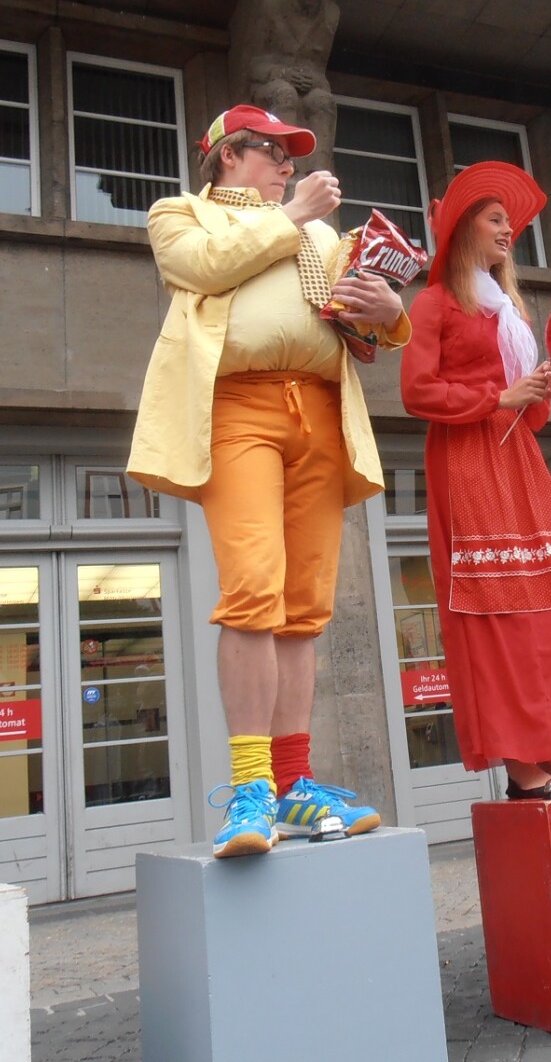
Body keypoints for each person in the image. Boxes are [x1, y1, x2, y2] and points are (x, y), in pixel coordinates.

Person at [128, 105, 408, 856]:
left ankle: (294, 783)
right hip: (237, 407)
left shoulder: (319, 234)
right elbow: (200, 267)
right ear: (228, 154)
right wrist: (292, 215)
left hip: (320, 407)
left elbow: (358, 321)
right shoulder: (180, 213)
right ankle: (252, 784)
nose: (288, 165)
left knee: (304, 606)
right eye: (274, 152)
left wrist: (389, 311)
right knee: (253, 590)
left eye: (293, 156)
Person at [398, 162, 551, 799]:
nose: (507, 230)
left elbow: (532, 418)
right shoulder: (435, 302)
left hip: (516, 458)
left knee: (544, 606)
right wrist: (499, 396)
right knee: (495, 610)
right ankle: (521, 763)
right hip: (467, 459)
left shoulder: (510, 310)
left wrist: (536, 391)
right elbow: (416, 392)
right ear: (464, 227)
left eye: (508, 222)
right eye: (495, 219)